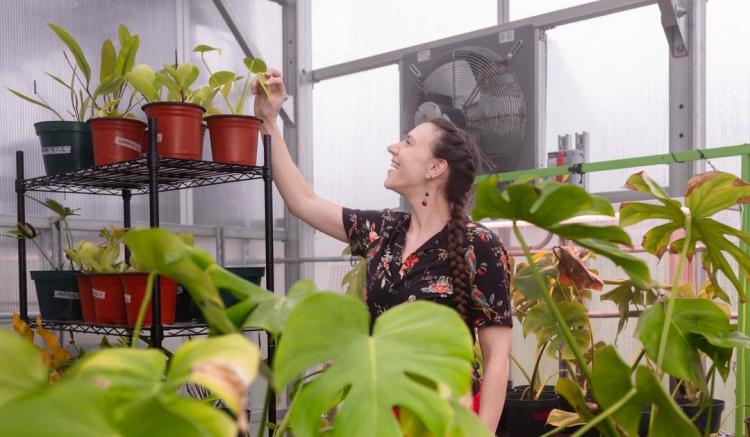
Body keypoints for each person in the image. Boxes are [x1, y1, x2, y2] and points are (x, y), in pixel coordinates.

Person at [252, 68, 512, 433]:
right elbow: (303, 202)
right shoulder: (383, 230)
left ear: (436, 168)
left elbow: (497, 359)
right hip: (379, 414)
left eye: (407, 143)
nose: (393, 148)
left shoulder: (481, 245)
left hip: (446, 419)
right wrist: (269, 120)